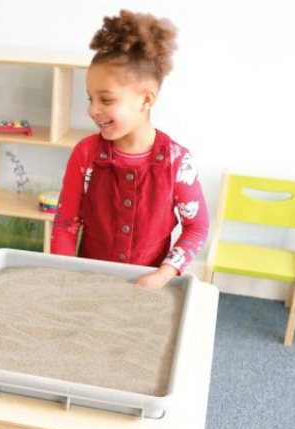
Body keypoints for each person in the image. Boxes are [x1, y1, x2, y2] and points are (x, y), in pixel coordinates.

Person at [51, 10, 208, 289]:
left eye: (106, 100)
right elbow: (66, 223)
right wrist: (62, 276)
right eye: (90, 98)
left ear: (146, 100)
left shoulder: (177, 162)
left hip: (147, 287)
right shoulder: (85, 154)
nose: (93, 110)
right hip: (89, 283)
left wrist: (162, 275)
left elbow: (196, 227)